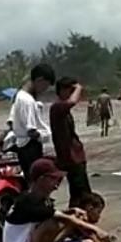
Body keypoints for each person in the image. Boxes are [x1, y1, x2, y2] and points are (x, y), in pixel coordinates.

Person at [2, 158, 121, 242]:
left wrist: (73, 212)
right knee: (55, 224)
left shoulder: (36, 199)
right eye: (54, 180)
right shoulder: (29, 201)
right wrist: (96, 230)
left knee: (71, 220)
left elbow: (49, 214)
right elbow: (59, 217)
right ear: (42, 179)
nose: (57, 185)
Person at [49, 76, 91, 208]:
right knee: (81, 192)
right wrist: (78, 88)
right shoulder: (57, 107)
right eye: (70, 90)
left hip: (74, 156)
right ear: (62, 90)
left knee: (79, 192)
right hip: (71, 157)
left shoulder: (62, 110)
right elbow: (72, 102)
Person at [10, 65, 54, 186]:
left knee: (31, 180)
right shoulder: (27, 100)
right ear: (39, 80)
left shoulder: (20, 96)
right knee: (35, 182)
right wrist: (45, 135)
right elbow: (31, 131)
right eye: (45, 86)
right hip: (30, 147)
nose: (44, 90)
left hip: (23, 145)